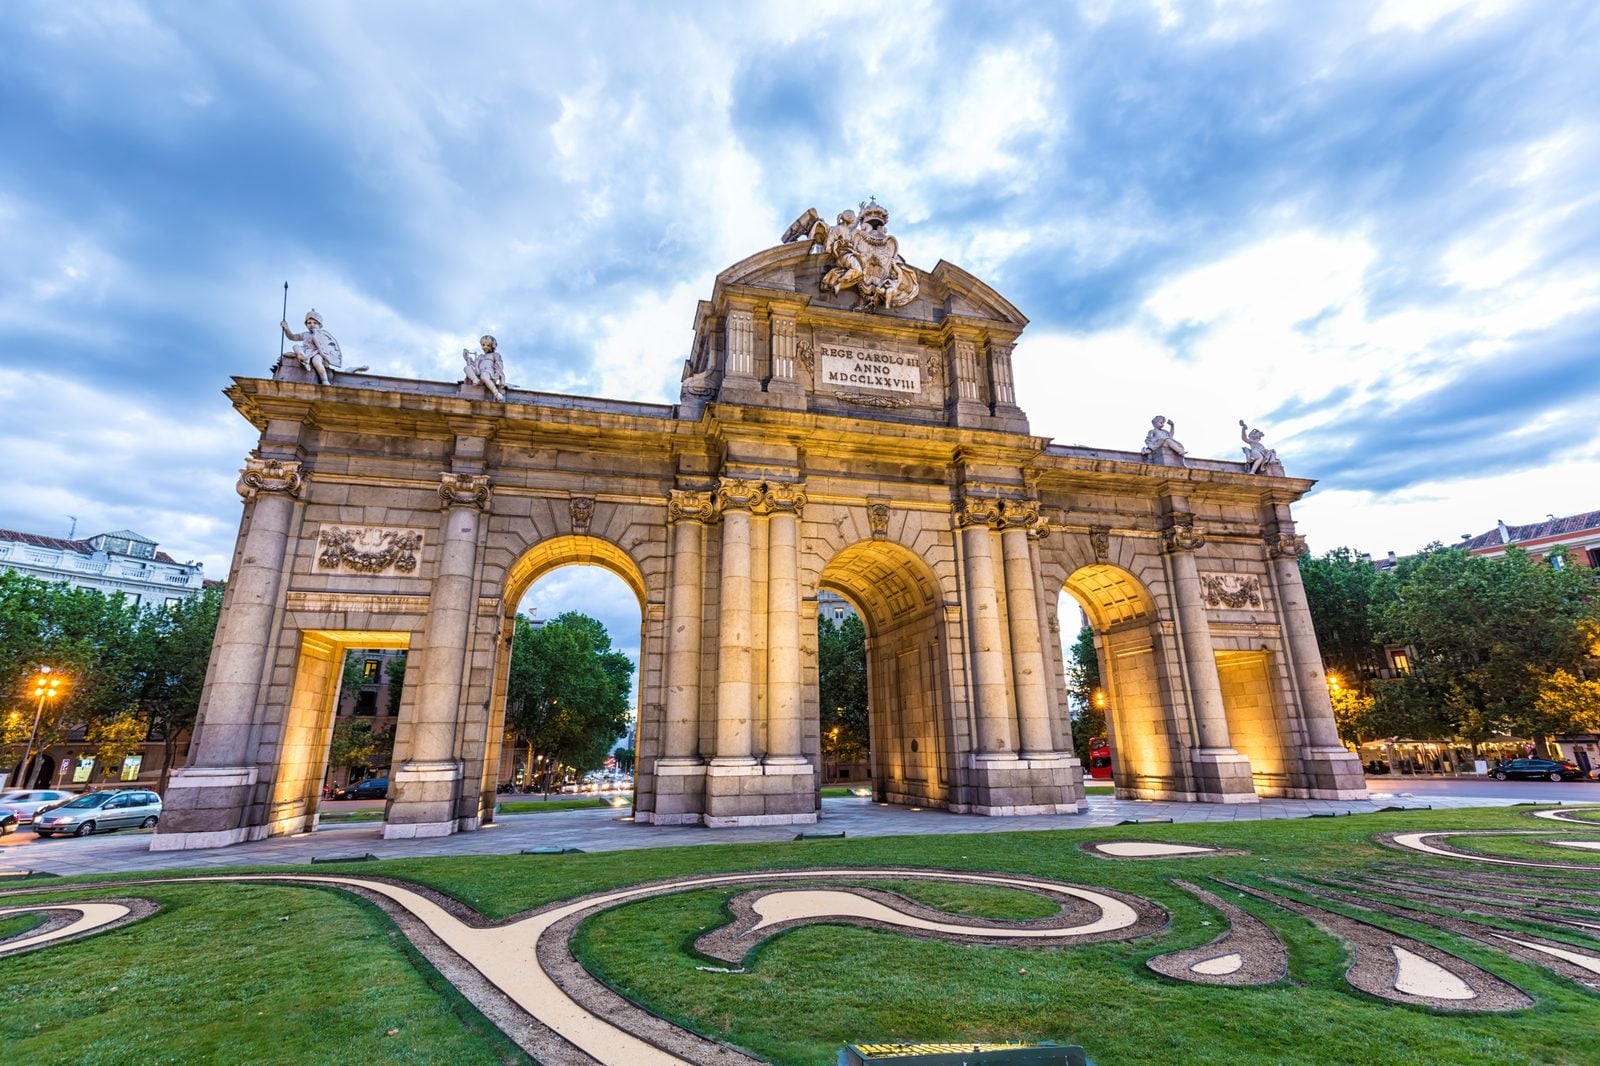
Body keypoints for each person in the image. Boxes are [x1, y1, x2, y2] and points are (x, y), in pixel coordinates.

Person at [280, 309, 343, 385]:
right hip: (306, 351)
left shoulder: (322, 335)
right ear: (306, 325)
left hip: (317, 353)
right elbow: (292, 337)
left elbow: (326, 347)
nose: (311, 324)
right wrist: (286, 329)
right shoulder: (305, 334)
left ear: (319, 325)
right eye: (309, 323)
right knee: (296, 346)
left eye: (315, 323)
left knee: (316, 362)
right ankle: (303, 358)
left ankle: (324, 380)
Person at [462, 334, 507, 401]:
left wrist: (500, 378)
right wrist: (467, 358)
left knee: (484, 376)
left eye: (488, 345)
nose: (485, 347)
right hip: (478, 371)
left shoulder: (495, 355)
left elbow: (499, 366)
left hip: (488, 372)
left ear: (492, 346)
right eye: (483, 345)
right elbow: (473, 365)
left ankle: (496, 393)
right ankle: (476, 380)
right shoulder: (481, 356)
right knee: (466, 368)